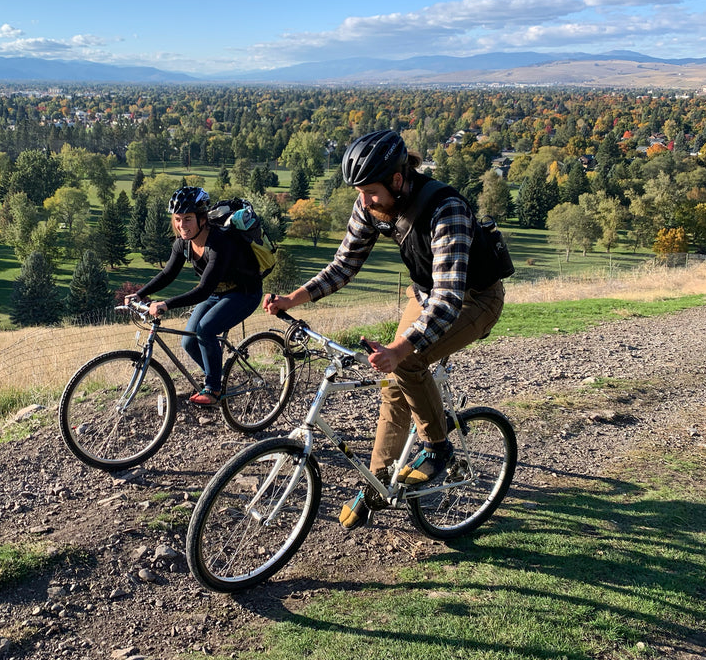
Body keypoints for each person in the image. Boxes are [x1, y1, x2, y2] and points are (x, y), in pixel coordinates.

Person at [264, 130, 505, 530]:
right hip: (426, 293)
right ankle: (378, 485)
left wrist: (400, 349)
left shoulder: (447, 210)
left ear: (398, 179)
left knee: (406, 362)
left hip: (473, 299)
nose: (364, 202)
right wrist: (293, 298)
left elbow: (448, 300)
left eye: (371, 192)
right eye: (359, 192)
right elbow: (344, 265)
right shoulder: (371, 205)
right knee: (393, 387)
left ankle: (438, 447)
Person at [130, 186, 264, 407]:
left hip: (244, 292)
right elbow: (168, 273)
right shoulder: (183, 242)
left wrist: (166, 304)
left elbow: (202, 290)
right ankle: (219, 378)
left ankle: (213, 389)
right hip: (216, 293)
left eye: (188, 219)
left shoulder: (220, 243)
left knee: (206, 329)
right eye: (178, 219)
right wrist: (140, 293)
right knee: (189, 341)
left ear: (202, 219)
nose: (182, 225)